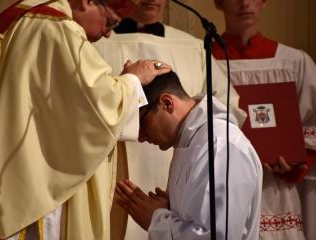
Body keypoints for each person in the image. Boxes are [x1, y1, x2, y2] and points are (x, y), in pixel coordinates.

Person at [0, 0, 173, 239]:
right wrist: (134, 79)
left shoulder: (15, 19)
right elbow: (99, 105)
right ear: (87, 1)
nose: (107, 33)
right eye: (111, 22)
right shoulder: (59, 30)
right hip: (27, 192)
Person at [92, 1, 246, 238]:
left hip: (188, 176)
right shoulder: (94, 45)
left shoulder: (193, 47)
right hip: (113, 181)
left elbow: (228, 108)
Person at [212, 0, 316, 239]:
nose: (244, 3)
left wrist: (295, 165)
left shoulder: (294, 62)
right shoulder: (204, 60)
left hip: (275, 191)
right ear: (218, 3)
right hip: (223, 187)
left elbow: (311, 126)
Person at [116, 71, 263, 239]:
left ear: (166, 103)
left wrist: (156, 220)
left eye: (140, 123)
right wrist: (171, 210)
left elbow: (218, 235)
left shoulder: (221, 145)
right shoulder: (190, 141)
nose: (140, 137)